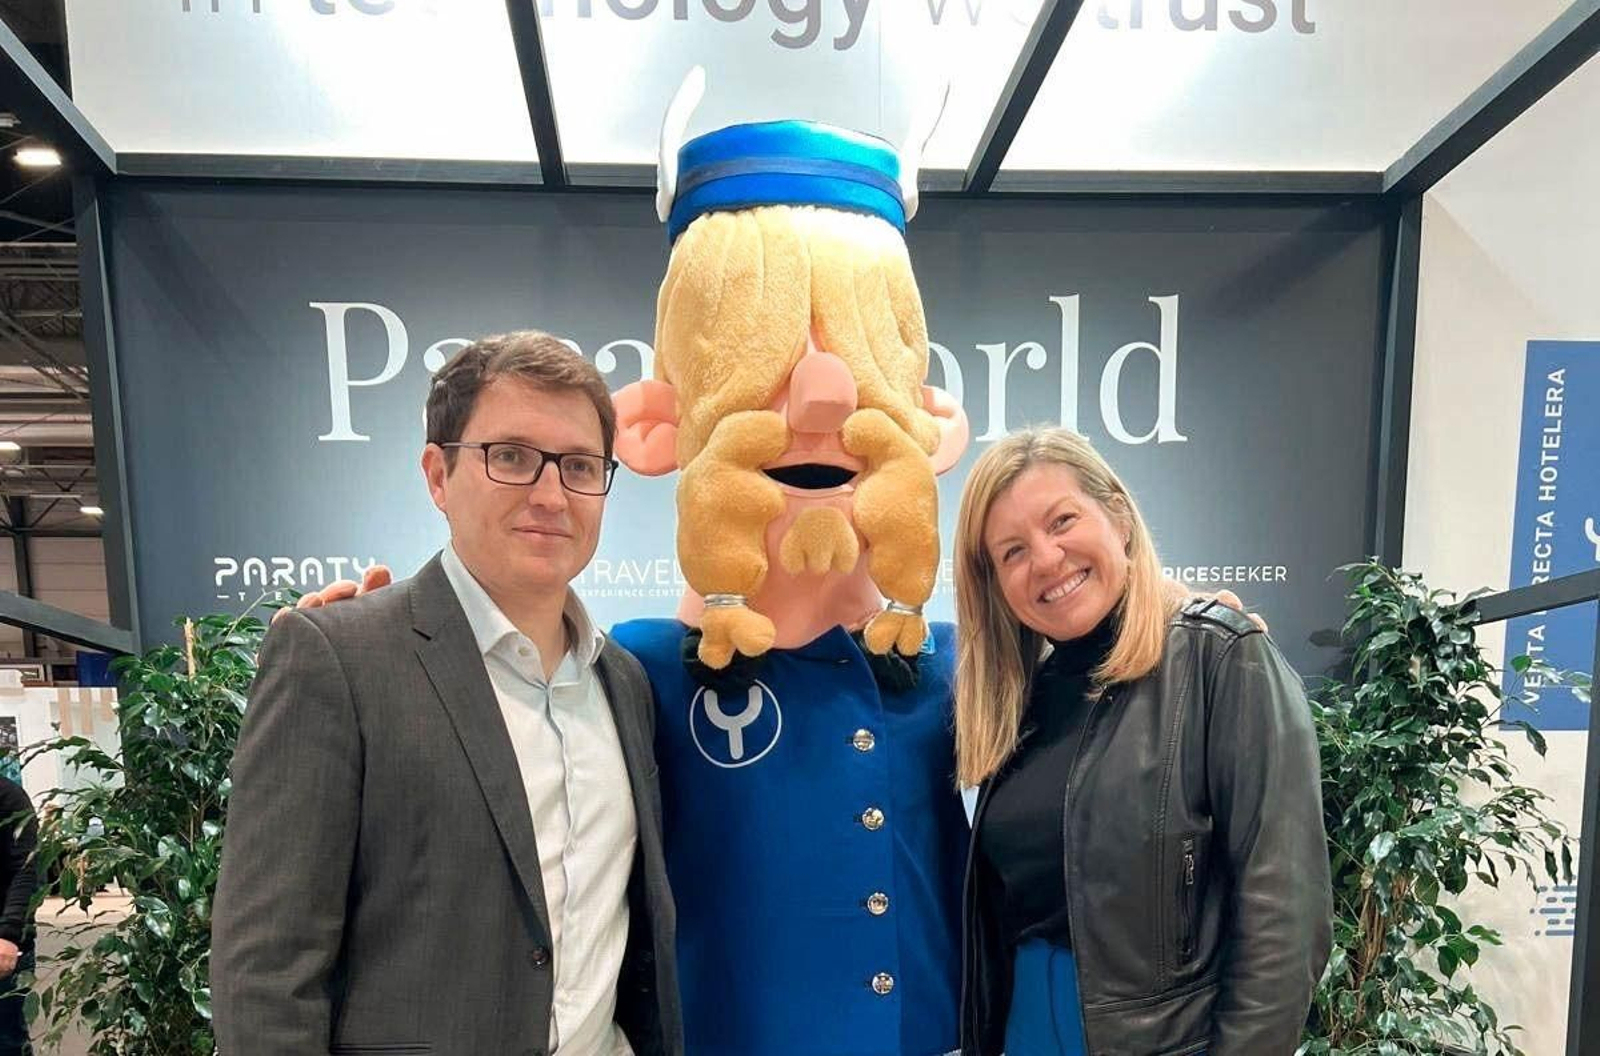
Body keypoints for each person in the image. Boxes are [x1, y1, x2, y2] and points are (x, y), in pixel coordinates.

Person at [212, 332, 681, 1056]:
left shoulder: (623, 682)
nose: (552, 494)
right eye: (513, 457)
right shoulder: (339, 658)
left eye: (581, 467)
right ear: (439, 474)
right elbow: (268, 972)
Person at [954, 427, 1332, 1056]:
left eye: (1062, 521)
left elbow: (1285, 913)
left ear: (1120, 517)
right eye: (1012, 552)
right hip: (1023, 1031)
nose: (1046, 560)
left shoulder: (1219, 657)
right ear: (994, 583)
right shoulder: (1017, 702)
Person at [0, 775, 35, 1056]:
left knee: (7, 1042)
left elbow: (26, 871)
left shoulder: (9, 797)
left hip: (3, 946)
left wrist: (9, 935)